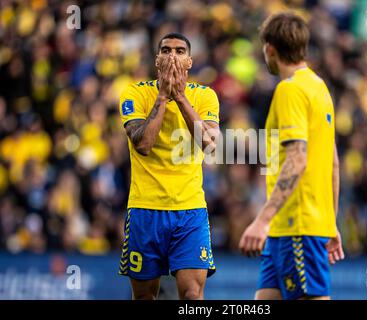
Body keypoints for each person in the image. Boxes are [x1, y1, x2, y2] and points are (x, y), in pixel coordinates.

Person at [239, 12, 344, 300]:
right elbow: (332, 161)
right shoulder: (319, 87)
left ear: (270, 48)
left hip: (296, 223)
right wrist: (330, 221)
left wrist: (261, 219)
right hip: (288, 228)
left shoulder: (290, 90)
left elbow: (297, 160)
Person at [118, 32, 220, 300]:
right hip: (145, 209)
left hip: (189, 211)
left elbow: (210, 144)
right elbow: (143, 144)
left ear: (189, 61)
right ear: (156, 59)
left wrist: (181, 97)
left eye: (179, 51)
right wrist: (163, 97)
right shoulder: (136, 93)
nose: (172, 56)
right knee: (144, 297)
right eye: (165, 50)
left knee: (192, 295)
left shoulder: (205, 96)